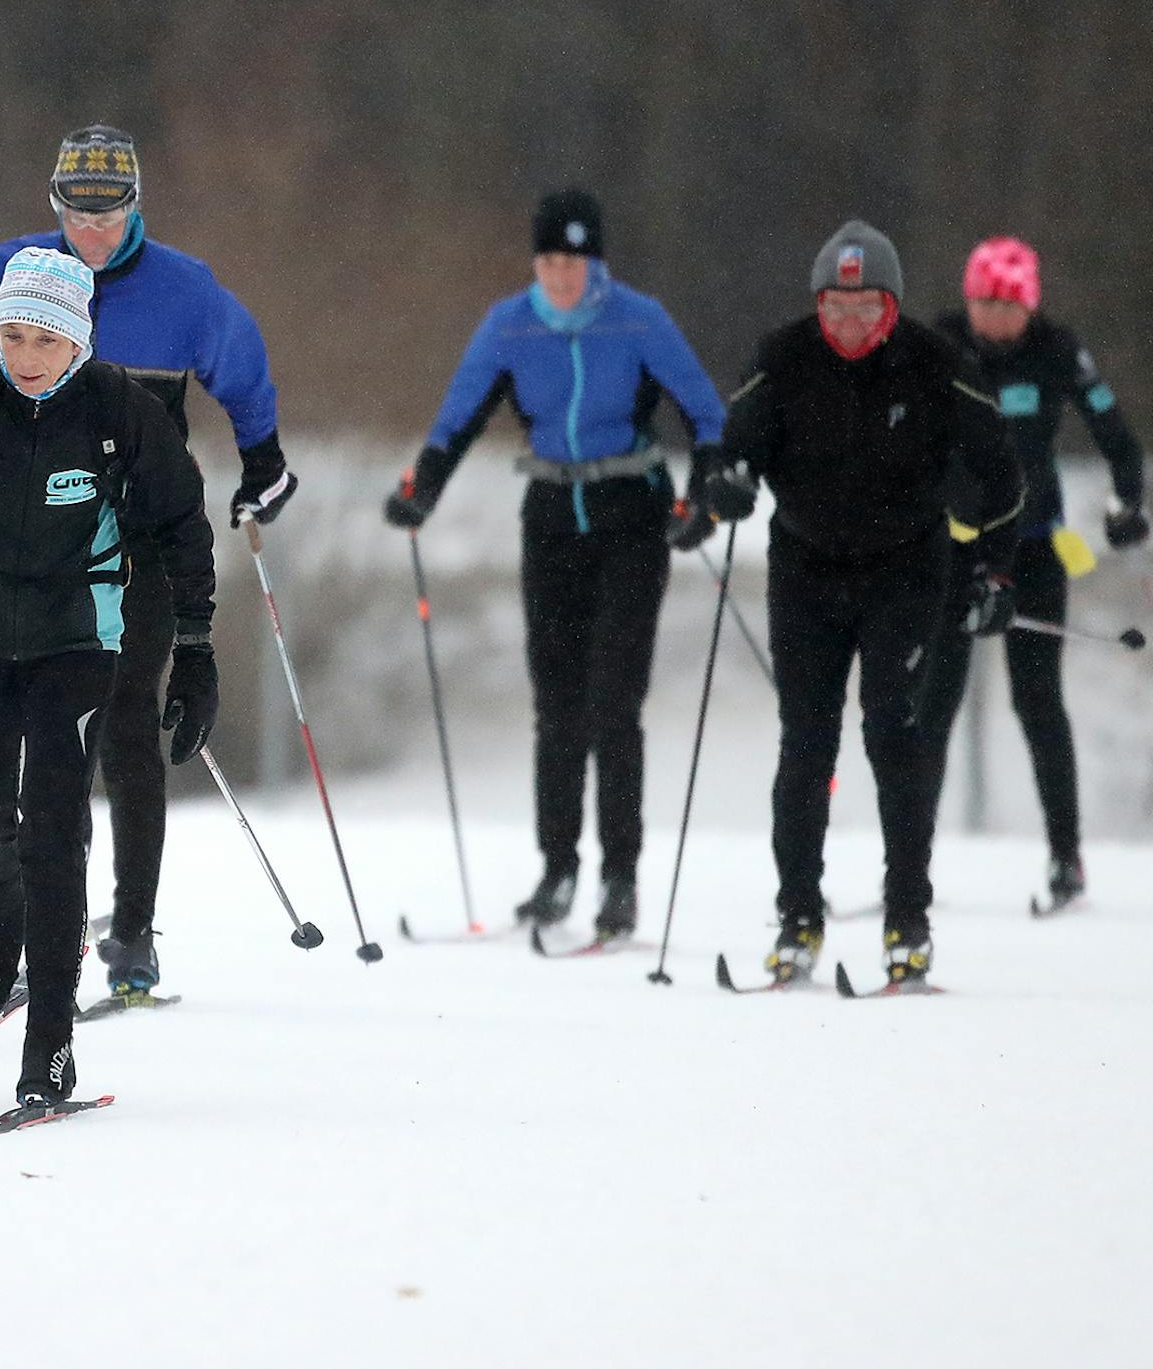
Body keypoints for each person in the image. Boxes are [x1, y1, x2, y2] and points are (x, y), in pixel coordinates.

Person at [0, 123, 289, 1001]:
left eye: (110, 215)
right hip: (34, 536)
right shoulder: (18, 272)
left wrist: (261, 455)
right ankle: (42, 915)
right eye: (75, 214)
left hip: (142, 537)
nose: (92, 232)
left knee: (123, 718)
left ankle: (133, 926)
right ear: (54, 207)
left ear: (135, 205)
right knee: (47, 743)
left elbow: (242, 365)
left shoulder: (184, 290)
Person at [0, 247, 218, 1104]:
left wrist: (197, 648)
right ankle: (2, 910)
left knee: (54, 834)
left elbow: (181, 522)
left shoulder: (119, 410)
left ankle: (50, 1042)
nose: (26, 356)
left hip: (76, 640)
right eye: (13, 335)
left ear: (79, 341)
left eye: (45, 340)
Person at [384, 189, 725, 940]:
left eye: (573, 260)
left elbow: (707, 413)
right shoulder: (510, 323)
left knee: (614, 701)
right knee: (558, 704)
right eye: (549, 260)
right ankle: (559, 868)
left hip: (631, 516)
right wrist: (423, 490)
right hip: (550, 522)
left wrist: (703, 496)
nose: (561, 275)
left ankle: (619, 876)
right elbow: (458, 417)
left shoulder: (638, 317)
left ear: (594, 261)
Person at [689, 220, 1023, 985]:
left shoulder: (936, 365)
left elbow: (1003, 476)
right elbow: (734, 446)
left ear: (892, 308)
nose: (846, 324)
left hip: (905, 570)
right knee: (806, 740)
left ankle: (907, 917)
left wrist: (996, 575)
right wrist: (729, 484)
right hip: (805, 570)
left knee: (890, 728)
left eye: (864, 308)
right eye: (833, 308)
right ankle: (798, 916)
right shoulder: (783, 358)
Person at [918, 237, 1145, 907]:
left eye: (1007, 304)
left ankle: (1066, 858)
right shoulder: (941, 344)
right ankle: (908, 861)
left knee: (1038, 702)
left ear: (1030, 305)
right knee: (933, 704)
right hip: (955, 548)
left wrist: (1125, 500)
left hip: (1033, 546)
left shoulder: (1056, 349)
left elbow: (1116, 435)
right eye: (983, 302)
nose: (994, 317)